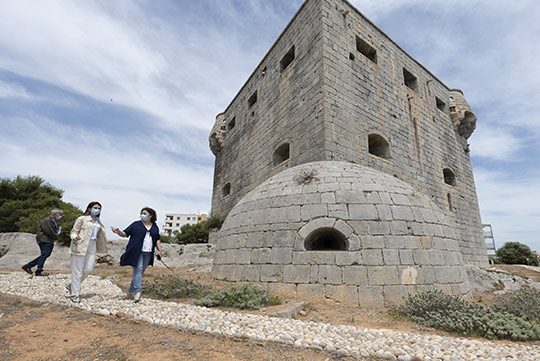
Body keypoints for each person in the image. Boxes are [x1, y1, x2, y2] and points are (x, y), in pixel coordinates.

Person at [111, 207, 162, 302]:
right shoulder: (136, 224)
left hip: (148, 252)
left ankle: (130, 291)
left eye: (144, 213)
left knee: (140, 273)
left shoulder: (155, 226)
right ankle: (138, 292)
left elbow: (157, 239)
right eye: (141, 213)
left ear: (150, 215)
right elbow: (125, 233)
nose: (142, 215)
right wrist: (118, 232)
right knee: (137, 271)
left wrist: (159, 250)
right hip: (136, 252)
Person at [67, 201, 107, 303]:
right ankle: (74, 294)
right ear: (89, 208)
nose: (97, 210)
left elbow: (98, 235)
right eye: (95, 207)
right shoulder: (82, 219)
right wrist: (74, 237)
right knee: (77, 271)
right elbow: (74, 231)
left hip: (92, 245)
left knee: (89, 269)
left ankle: (71, 286)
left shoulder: (98, 221)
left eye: (99, 208)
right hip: (80, 244)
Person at [22, 208, 63, 276]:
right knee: (45, 254)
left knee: (45, 254)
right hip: (44, 240)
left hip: (48, 240)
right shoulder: (47, 220)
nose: (60, 216)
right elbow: (49, 231)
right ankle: (39, 270)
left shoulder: (52, 220)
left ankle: (28, 266)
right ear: (55, 214)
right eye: (60, 214)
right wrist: (56, 237)